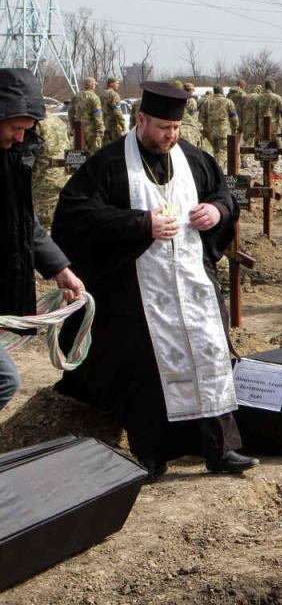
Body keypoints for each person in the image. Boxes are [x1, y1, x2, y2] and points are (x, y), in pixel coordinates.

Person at [52, 81, 258, 479]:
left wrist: (217, 212)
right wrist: (139, 223)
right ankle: (152, 454)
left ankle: (220, 449)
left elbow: (224, 197)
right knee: (145, 371)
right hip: (137, 294)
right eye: (163, 128)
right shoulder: (109, 164)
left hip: (193, 285)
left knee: (209, 358)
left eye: (176, 129)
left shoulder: (194, 159)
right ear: (141, 119)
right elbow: (74, 216)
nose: (171, 136)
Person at [0, 68, 85, 411]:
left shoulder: (10, 158)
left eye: (26, 130)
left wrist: (59, 268)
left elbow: (23, 222)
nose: (21, 138)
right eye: (15, 128)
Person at [32, 110, 70, 229]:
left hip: (43, 181)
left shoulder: (35, 124)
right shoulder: (58, 121)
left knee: (41, 225)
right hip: (61, 176)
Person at [198, 86, 239, 172]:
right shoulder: (228, 102)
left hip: (211, 132)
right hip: (224, 131)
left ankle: (219, 172)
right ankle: (218, 172)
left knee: (217, 152)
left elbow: (201, 118)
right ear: (222, 91)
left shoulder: (207, 102)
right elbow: (234, 117)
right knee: (223, 151)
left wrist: (204, 131)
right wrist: (235, 128)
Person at [67, 76, 104, 154]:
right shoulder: (94, 97)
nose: (95, 86)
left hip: (78, 129)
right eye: (94, 84)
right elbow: (98, 114)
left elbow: (70, 113)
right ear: (91, 85)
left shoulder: (76, 96)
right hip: (91, 130)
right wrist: (101, 129)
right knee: (94, 152)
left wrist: (73, 126)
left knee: (79, 152)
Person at [100, 76, 127, 145]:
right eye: (116, 83)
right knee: (119, 146)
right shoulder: (114, 95)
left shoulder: (102, 94)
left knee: (106, 146)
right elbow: (117, 111)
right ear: (111, 84)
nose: (118, 85)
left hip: (105, 124)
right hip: (113, 125)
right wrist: (122, 124)